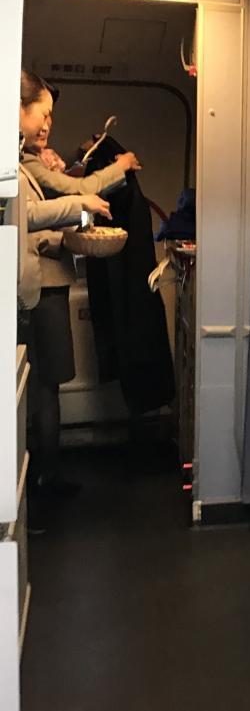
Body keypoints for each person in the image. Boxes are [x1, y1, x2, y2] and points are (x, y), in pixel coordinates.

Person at [18, 70, 121, 506]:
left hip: (45, 286)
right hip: (41, 287)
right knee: (45, 385)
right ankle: (43, 482)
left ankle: (45, 477)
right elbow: (30, 220)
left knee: (46, 385)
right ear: (18, 109)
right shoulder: (17, 165)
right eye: (42, 114)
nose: (47, 124)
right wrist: (81, 209)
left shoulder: (26, 159)